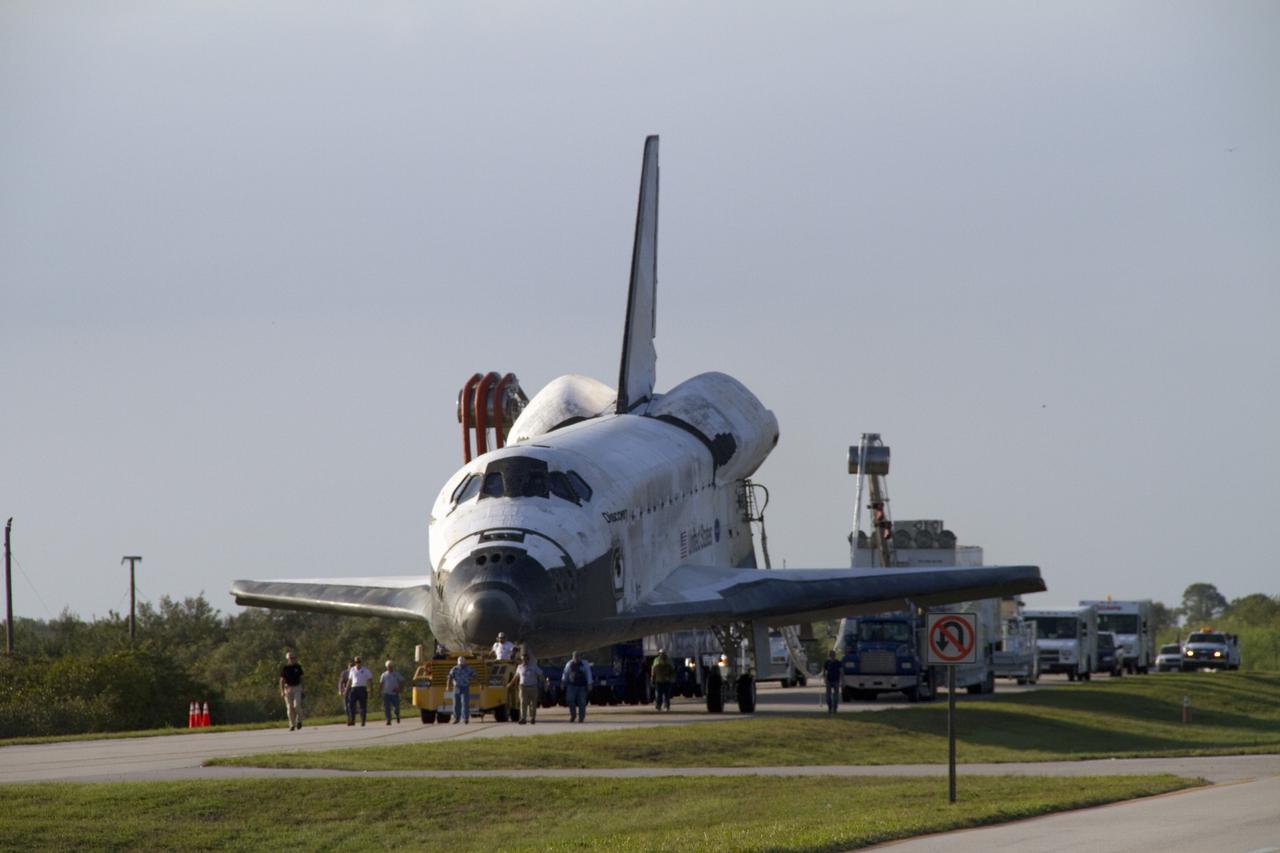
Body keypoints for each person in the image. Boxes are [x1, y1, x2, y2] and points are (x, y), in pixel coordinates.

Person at [507, 653, 544, 724]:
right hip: (523, 687)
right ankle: (523, 718)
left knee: (532, 704)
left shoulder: (533, 666)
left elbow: (540, 674)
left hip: (533, 687)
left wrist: (545, 682)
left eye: (525, 659)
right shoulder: (519, 667)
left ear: (528, 659)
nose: (524, 660)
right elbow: (516, 677)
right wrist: (510, 684)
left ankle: (533, 718)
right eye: (523, 659)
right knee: (523, 702)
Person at [562, 651, 593, 723]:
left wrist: (589, 684)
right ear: (573, 657)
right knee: (569, 700)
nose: (576, 658)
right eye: (575, 657)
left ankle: (581, 718)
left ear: (580, 657)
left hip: (581, 686)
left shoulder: (584, 664)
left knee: (582, 702)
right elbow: (565, 673)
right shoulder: (569, 664)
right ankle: (573, 715)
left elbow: (588, 674)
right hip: (571, 686)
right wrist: (563, 682)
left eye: (578, 657)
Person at [279, 651, 304, 731]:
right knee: (290, 708)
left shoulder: (298, 667)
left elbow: (302, 678)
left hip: (297, 687)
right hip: (288, 688)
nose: (292, 659)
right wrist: (282, 691)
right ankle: (292, 724)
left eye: (293, 658)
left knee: (297, 705)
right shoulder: (285, 668)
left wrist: (303, 688)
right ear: (288, 659)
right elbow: (282, 680)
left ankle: (299, 720)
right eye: (290, 658)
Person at [447, 655, 476, 724]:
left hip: (465, 687)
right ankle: (456, 718)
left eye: (463, 663)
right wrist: (448, 686)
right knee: (456, 703)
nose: (461, 665)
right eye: (460, 663)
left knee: (465, 703)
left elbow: (474, 675)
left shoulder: (468, 669)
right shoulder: (454, 669)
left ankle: (465, 718)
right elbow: (450, 677)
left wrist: (472, 680)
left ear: (465, 662)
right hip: (456, 687)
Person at [347, 656, 374, 726]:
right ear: (355, 662)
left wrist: (371, 689)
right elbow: (349, 681)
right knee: (351, 705)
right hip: (354, 689)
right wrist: (347, 689)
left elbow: (370, 680)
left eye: (359, 662)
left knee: (362, 706)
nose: (358, 663)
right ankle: (352, 720)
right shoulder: (352, 670)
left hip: (362, 689)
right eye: (356, 662)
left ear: (361, 662)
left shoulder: (365, 670)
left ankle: (363, 721)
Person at [380, 660, 404, 725]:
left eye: (391, 666)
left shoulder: (396, 674)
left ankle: (397, 715)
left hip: (394, 693)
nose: (390, 667)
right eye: (389, 666)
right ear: (386, 667)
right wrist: (381, 692)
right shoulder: (384, 675)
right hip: (386, 693)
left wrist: (399, 689)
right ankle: (388, 720)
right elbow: (381, 684)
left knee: (396, 707)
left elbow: (401, 681)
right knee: (387, 708)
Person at [823, 650, 843, 714]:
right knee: (828, 697)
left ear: (834, 655)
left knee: (835, 696)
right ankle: (830, 707)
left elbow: (841, 672)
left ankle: (834, 708)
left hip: (836, 681)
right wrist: (824, 679)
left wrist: (841, 680)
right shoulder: (827, 662)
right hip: (829, 680)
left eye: (832, 655)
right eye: (831, 655)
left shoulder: (838, 663)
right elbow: (824, 671)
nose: (832, 656)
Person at [338, 659, 354, 725]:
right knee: (346, 706)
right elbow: (341, 682)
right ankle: (349, 718)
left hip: (353, 690)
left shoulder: (355, 672)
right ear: (348, 666)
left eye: (352, 666)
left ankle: (351, 719)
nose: (351, 668)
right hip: (346, 690)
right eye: (350, 666)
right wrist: (340, 690)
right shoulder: (344, 673)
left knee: (351, 705)